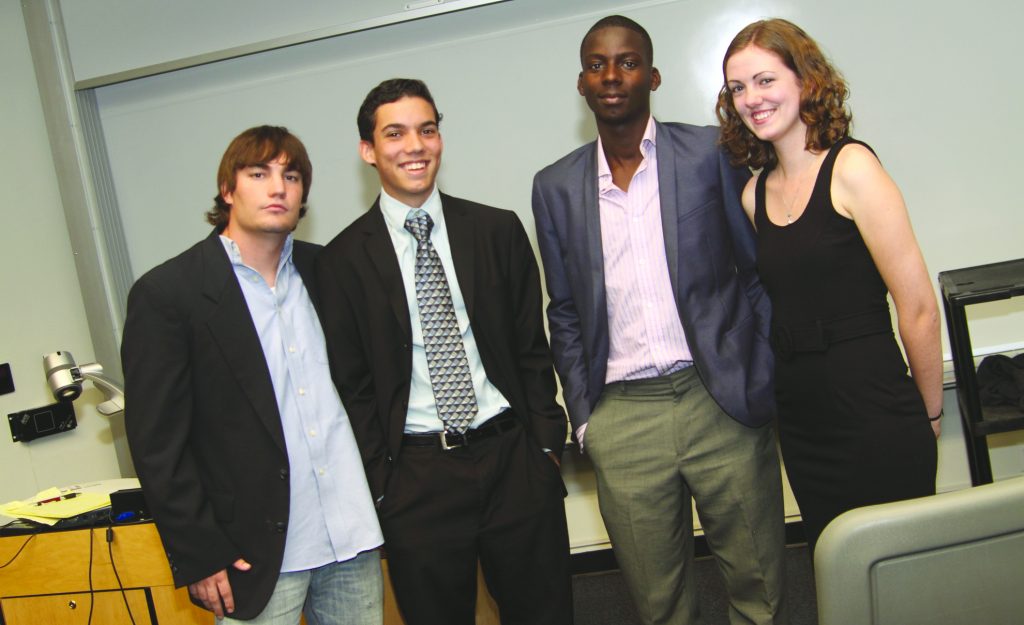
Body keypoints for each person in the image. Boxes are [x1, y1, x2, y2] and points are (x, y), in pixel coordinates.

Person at [532, 15, 786, 625]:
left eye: (626, 62)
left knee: (760, 585)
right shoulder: (556, 187)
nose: (611, 75)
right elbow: (563, 310)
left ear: (653, 75)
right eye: (597, 64)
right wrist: (588, 419)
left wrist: (763, 371)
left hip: (719, 399)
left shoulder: (709, 153)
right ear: (581, 82)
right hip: (623, 416)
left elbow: (756, 273)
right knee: (657, 602)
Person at [315, 78, 573, 625]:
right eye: (396, 133)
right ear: (368, 150)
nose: (415, 145)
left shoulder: (496, 230)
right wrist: (383, 484)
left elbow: (531, 348)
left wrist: (546, 449)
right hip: (416, 477)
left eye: (426, 130)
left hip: (513, 461)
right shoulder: (340, 262)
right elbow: (352, 385)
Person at [122, 125, 384, 623]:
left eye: (291, 175)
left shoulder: (326, 271)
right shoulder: (169, 294)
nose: (277, 187)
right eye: (258, 173)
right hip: (254, 553)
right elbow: (158, 443)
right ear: (228, 189)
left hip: (351, 538)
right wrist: (199, 551)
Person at [717, 18, 941, 552]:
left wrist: (929, 414)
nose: (752, 99)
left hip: (874, 404)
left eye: (766, 80)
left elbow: (918, 310)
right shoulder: (754, 195)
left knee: (901, 570)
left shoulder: (853, 167)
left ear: (805, 81)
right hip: (802, 417)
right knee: (839, 573)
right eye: (738, 88)